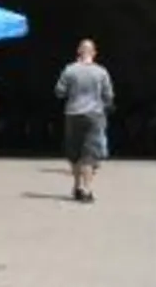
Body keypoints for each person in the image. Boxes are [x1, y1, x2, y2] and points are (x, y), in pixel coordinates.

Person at [55, 39, 113, 203]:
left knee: (74, 152)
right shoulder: (101, 72)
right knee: (90, 154)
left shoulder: (69, 70)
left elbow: (59, 91)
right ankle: (86, 189)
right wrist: (104, 105)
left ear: (78, 52)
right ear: (94, 53)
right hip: (94, 114)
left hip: (73, 114)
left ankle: (76, 185)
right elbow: (108, 95)